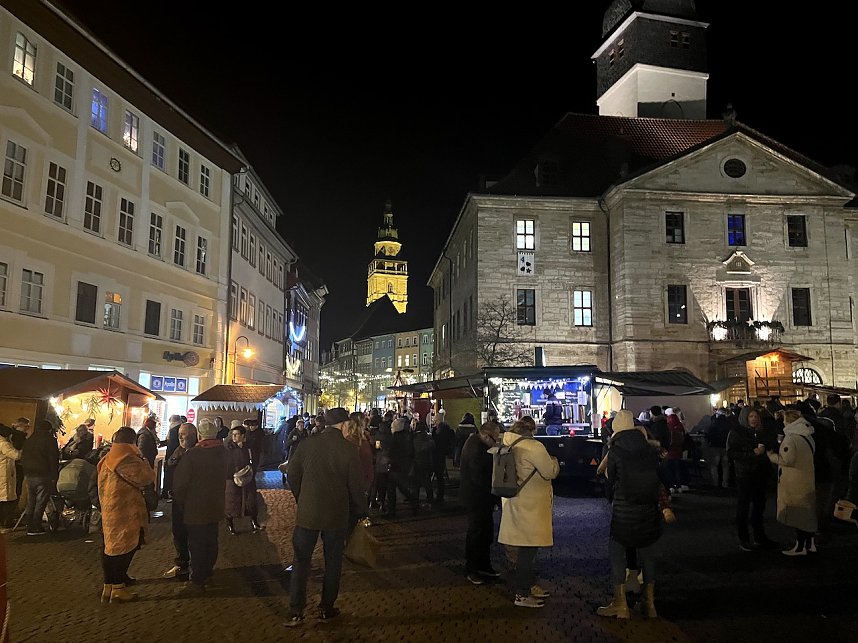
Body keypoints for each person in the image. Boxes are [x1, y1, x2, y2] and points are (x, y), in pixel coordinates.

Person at [284, 407, 367, 628]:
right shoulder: (349, 450)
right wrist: (362, 510)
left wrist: (301, 496)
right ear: (343, 424)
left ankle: (296, 610)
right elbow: (356, 487)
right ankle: (326, 608)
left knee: (301, 561)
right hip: (335, 514)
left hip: (308, 513)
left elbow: (292, 474)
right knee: (333, 562)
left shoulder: (307, 444)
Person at [596, 410, 663, 619]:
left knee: (617, 551)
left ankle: (620, 602)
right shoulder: (649, 449)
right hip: (649, 509)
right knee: (648, 554)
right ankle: (649, 603)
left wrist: (609, 495)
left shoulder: (615, 450)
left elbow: (610, 480)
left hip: (625, 509)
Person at [496, 416, 560, 608]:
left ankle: (529, 585)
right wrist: (554, 461)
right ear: (532, 430)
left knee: (525, 548)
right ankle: (522, 593)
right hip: (531, 505)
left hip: (514, 502)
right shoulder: (534, 447)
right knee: (528, 550)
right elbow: (549, 472)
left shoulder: (508, 445)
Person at [97, 426, 156, 603]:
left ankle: (109, 586)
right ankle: (118, 588)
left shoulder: (107, 458)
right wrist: (143, 459)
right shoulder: (127, 459)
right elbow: (147, 476)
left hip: (109, 509)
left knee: (110, 548)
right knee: (125, 548)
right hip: (126, 511)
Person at [172, 418, 230, 593]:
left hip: (195, 506)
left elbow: (180, 484)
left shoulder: (193, 455)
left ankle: (198, 578)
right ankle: (207, 572)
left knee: (196, 544)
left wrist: (180, 501)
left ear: (199, 435)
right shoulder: (224, 452)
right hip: (215, 504)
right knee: (211, 541)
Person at [726, 408, 779, 551]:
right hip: (744, 473)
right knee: (744, 505)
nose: (754, 419)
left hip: (760, 473)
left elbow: (771, 445)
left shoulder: (762, 432)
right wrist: (751, 453)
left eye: (756, 416)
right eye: (751, 416)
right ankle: (743, 538)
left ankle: (759, 536)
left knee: (759, 505)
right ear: (745, 418)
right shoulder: (737, 432)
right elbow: (731, 452)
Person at [767, 408, 818, 556]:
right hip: (807, 478)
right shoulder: (808, 436)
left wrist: (771, 456)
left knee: (798, 515)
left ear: (789, 421)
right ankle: (810, 543)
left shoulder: (791, 438)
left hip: (794, 482)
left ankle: (800, 547)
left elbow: (787, 460)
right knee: (808, 514)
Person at [459, 420, 500, 585]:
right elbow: (479, 478)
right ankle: (473, 568)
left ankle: (483, 565)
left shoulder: (477, 444)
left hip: (480, 497)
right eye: (494, 438)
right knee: (477, 532)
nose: (495, 441)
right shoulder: (476, 449)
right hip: (476, 498)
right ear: (485, 435)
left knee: (485, 532)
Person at [163, 423, 198, 579]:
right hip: (178, 499)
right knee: (179, 532)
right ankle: (181, 563)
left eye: (184, 434)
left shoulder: (198, 452)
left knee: (195, 533)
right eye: (180, 434)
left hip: (194, 499)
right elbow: (169, 467)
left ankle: (197, 565)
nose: (181, 437)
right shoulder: (177, 451)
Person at [22, 419, 60, 536]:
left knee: (31, 500)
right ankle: (36, 525)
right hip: (43, 473)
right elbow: (53, 458)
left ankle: (29, 524)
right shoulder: (49, 440)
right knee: (41, 500)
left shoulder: (29, 440)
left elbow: (24, 456)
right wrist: (54, 474)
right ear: (49, 429)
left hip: (29, 473)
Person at [225, 425, 263, 535]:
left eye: (236, 435)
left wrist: (251, 471)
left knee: (250, 500)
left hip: (247, 478)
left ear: (242, 436)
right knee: (231, 503)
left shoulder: (248, 448)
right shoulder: (229, 448)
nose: (234, 437)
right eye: (233, 435)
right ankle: (230, 524)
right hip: (232, 479)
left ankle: (254, 522)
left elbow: (254, 460)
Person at [344, 412, 374, 533]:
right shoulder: (360, 441)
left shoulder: (350, 440)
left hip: (354, 483)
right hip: (358, 483)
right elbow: (367, 465)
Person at [385, 416, 415, 516]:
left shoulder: (396, 438)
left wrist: (387, 459)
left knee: (393, 488)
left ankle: (392, 510)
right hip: (403, 465)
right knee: (401, 487)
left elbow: (392, 452)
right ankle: (413, 503)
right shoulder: (407, 436)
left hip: (396, 466)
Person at [0, 424, 23, 533]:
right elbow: (16, 455)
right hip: (4, 474)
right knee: (6, 498)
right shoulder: (4, 444)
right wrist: (23, 452)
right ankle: (5, 522)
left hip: (4, 474)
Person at [410, 416, 435, 508]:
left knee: (416, 484)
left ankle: (415, 501)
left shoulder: (414, 438)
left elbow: (413, 450)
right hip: (427, 463)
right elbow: (432, 447)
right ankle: (430, 500)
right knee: (427, 483)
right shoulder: (429, 438)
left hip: (417, 463)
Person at [431, 410, 455, 503]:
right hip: (440, 453)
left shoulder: (440, 430)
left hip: (439, 454)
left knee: (439, 475)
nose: (434, 422)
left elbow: (439, 442)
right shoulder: (443, 429)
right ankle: (439, 494)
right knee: (439, 474)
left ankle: (440, 495)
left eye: (436, 420)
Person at [705, 409, 732, 488]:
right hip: (725, 447)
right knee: (725, 466)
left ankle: (715, 482)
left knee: (714, 465)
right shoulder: (729, 423)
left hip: (715, 446)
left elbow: (709, 434)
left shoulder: (714, 423)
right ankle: (725, 483)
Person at [664, 410, 689, 493]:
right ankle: (679, 486)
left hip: (670, 451)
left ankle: (671, 486)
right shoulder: (680, 425)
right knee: (677, 469)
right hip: (678, 451)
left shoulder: (668, 426)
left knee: (670, 470)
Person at [161, 415, 183, 499]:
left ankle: (167, 492)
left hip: (172, 455)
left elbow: (172, 443)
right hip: (174, 455)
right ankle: (167, 492)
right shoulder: (179, 428)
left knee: (169, 474)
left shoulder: (174, 429)